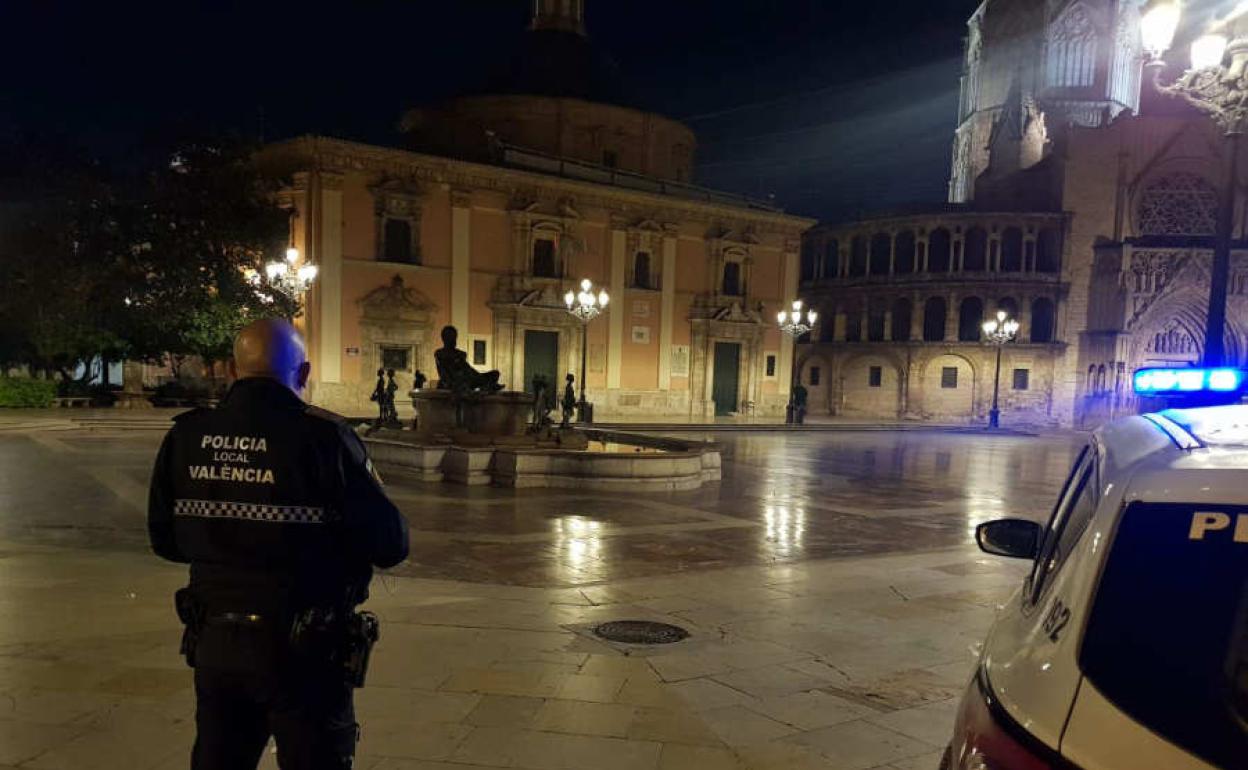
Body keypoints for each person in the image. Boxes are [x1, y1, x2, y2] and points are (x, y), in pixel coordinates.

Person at [148, 318, 409, 770]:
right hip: (304, 647)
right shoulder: (323, 438)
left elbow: (166, 540)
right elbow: (390, 543)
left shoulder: (186, 436)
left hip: (215, 641)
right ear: (303, 375)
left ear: (233, 370)